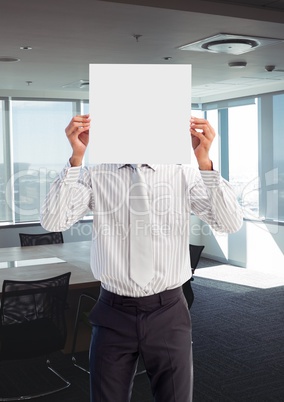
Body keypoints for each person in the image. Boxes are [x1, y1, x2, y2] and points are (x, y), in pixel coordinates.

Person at [41, 114, 243, 402]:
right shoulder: (96, 174)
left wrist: (205, 164)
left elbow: (229, 223)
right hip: (113, 310)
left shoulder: (183, 174)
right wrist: (76, 158)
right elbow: (53, 221)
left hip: (169, 310)